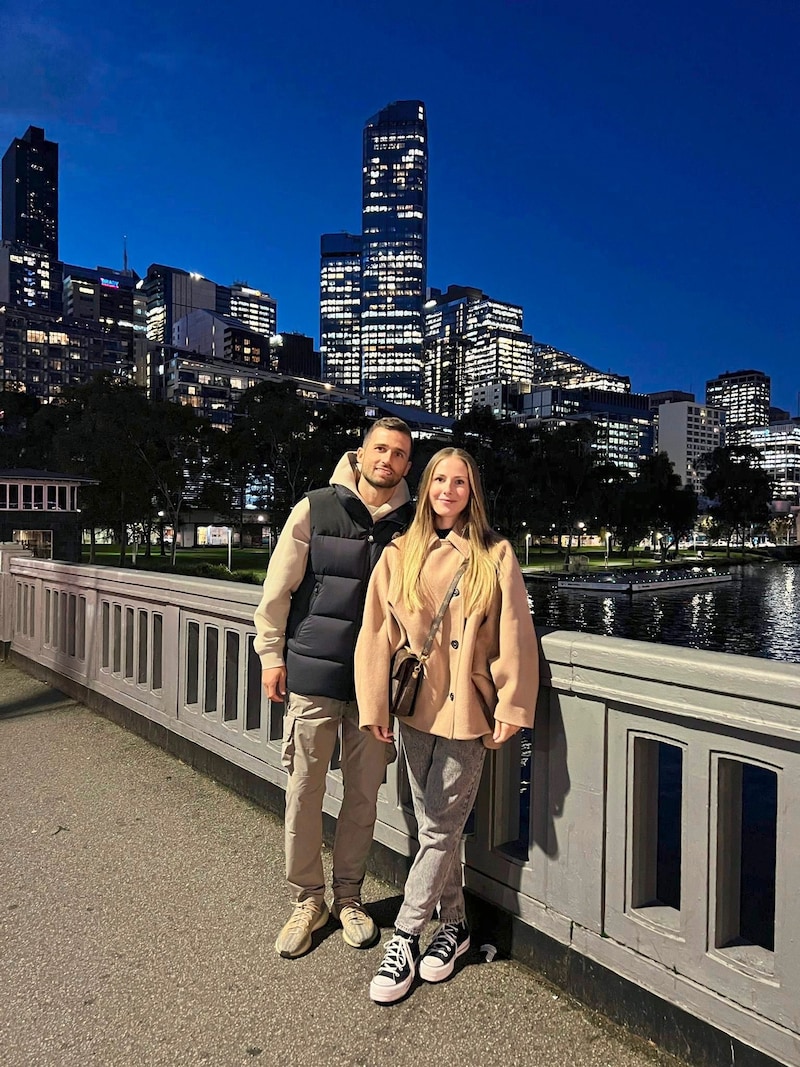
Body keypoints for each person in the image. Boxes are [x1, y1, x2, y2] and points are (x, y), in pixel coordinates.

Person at [355, 447, 539, 1004]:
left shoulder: (494, 553)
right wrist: (373, 707)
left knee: (435, 828)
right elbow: (376, 634)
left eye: (460, 482)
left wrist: (511, 706)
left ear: (472, 493)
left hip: (466, 709)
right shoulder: (399, 553)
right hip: (414, 710)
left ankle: (407, 937)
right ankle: (456, 929)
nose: (449, 490)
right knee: (441, 826)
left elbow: (514, 634)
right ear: (427, 486)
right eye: (440, 480)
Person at [253, 417, 414, 958]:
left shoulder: (415, 525)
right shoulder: (316, 508)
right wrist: (270, 654)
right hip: (315, 674)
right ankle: (307, 898)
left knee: (363, 796)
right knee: (304, 790)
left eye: (398, 454)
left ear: (407, 466)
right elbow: (279, 588)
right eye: (379, 449)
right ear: (362, 453)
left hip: (377, 687)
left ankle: (348, 896)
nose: (386, 460)